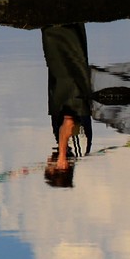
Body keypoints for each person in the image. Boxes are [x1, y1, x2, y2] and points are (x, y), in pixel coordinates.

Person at [41, 22, 93, 187]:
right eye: (50, 167)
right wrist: (62, 153)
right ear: (61, 167)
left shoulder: (67, 147)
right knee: (65, 44)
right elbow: (69, 122)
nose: (48, 160)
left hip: (61, 83)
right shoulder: (79, 149)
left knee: (54, 46)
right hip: (70, 82)